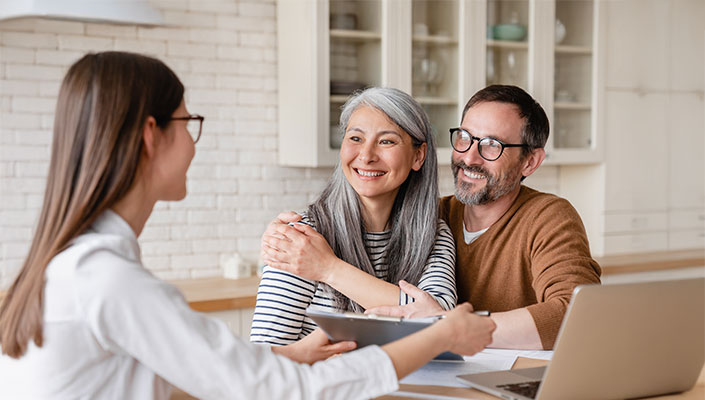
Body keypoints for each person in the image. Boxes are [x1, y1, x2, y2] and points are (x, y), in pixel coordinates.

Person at [0, 51, 495, 399]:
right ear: (151, 136)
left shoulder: (83, 269)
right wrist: (440, 333)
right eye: (187, 122)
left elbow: (186, 379)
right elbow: (282, 394)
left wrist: (284, 359)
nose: (194, 143)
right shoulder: (108, 281)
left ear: (417, 156)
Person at [366, 85, 602, 350]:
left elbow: (576, 314)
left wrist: (448, 325)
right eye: (464, 137)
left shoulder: (547, 217)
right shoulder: (430, 216)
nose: (469, 157)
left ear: (530, 162)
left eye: (492, 145)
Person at [251, 87, 457, 345]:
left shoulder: (433, 233)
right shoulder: (302, 239)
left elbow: (440, 320)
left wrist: (328, 268)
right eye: (356, 138)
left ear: (418, 155)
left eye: (386, 141)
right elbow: (265, 355)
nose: (367, 156)